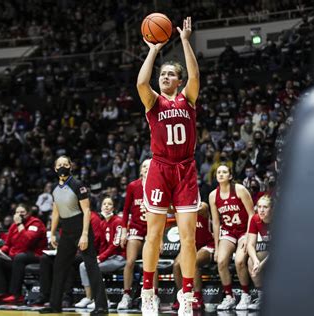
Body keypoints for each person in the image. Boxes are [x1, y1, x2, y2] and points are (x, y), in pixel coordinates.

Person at [136, 16, 200, 316]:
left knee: (188, 238)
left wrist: (185, 41)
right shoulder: (154, 104)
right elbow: (140, 82)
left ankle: (187, 295)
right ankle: (147, 292)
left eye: (171, 74)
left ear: (178, 80)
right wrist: (153, 50)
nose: (165, 77)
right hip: (160, 169)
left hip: (185, 169)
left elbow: (195, 77)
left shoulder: (188, 99)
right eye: (163, 74)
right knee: (155, 235)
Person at [39, 155, 108, 314]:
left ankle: (102, 307)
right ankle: (55, 305)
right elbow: (55, 212)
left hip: (80, 227)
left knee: (91, 266)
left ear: (71, 166)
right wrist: (53, 233)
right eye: (60, 164)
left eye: (66, 164)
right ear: (55, 169)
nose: (63, 166)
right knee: (59, 266)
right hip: (66, 230)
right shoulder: (55, 189)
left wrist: (84, 234)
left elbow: (87, 211)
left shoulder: (78, 185)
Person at [209, 165, 254, 311]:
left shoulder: (239, 189)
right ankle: (229, 296)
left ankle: (246, 295)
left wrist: (248, 236)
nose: (221, 174)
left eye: (224, 172)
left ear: (230, 176)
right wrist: (216, 247)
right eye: (218, 172)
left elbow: (252, 214)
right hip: (228, 231)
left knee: (240, 261)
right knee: (221, 261)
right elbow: (216, 223)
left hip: (243, 231)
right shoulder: (212, 196)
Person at [117, 159, 160, 310]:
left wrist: (159, 237)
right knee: (130, 262)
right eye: (144, 167)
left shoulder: (158, 185)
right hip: (135, 228)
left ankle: (154, 295)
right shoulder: (133, 186)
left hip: (152, 229)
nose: (147, 169)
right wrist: (123, 231)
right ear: (141, 170)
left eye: (150, 167)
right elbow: (126, 210)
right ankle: (127, 295)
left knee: (152, 262)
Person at [0, 203, 47, 303]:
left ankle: (16, 294)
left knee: (20, 257)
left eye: (22, 212)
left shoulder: (36, 224)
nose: (19, 215)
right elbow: (8, 244)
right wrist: (0, 251)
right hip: (16, 255)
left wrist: (20, 225)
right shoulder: (13, 226)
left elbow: (28, 241)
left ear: (29, 213)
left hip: (35, 254)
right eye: (17, 212)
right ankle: (2, 292)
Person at [75, 197, 126, 309]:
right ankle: (89, 298)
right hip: (108, 257)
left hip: (119, 258)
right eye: (104, 204)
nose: (106, 206)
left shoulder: (118, 221)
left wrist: (101, 258)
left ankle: (104, 300)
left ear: (114, 207)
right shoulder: (103, 223)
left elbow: (115, 245)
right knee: (83, 265)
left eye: (109, 204)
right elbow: (103, 244)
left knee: (93, 267)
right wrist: (97, 257)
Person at [172, 202, 214, 311]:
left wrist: (181, 207)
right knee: (176, 264)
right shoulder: (180, 208)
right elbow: (169, 209)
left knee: (192, 262)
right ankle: (183, 296)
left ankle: (197, 296)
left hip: (207, 245)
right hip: (190, 245)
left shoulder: (202, 206)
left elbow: (202, 209)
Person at [246, 195, 273, 310]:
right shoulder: (255, 219)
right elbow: (250, 245)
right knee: (250, 261)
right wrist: (256, 262)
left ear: (272, 209)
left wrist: (261, 265)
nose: (261, 210)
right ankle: (261, 296)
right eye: (259, 207)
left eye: (265, 207)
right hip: (268, 251)